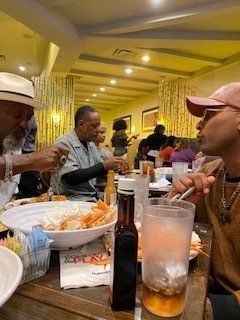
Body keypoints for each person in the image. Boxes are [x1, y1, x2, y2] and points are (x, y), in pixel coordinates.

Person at [170, 82, 240, 320]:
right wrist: (178, 203)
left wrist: (210, 309)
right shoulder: (210, 171)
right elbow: (175, 240)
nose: (199, 124)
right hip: (200, 289)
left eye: (209, 115)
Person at [0, 72, 69, 209]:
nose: (25, 125)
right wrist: (32, 160)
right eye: (17, 115)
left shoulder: (12, 147)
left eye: (29, 118)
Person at [51, 106, 125, 201]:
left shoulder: (90, 144)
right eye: (94, 126)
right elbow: (71, 178)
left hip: (91, 195)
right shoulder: (64, 142)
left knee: (123, 202)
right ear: (81, 124)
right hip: (71, 198)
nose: (98, 130)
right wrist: (104, 166)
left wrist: (116, 166)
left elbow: (99, 169)